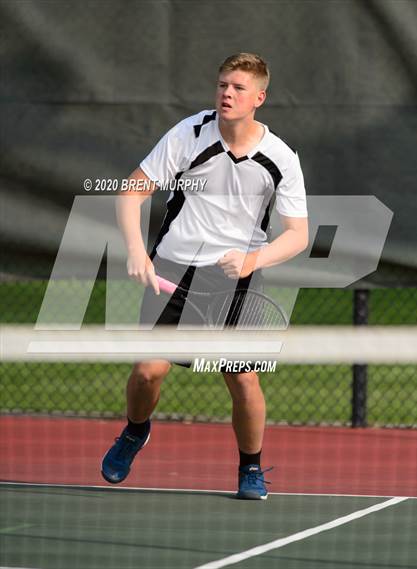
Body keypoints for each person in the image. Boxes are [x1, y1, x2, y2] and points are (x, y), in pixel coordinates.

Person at [101, 53, 308, 500]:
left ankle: (250, 468)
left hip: (238, 280)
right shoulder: (189, 133)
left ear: (259, 97)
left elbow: (298, 236)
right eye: (221, 85)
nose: (226, 94)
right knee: (146, 373)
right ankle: (136, 431)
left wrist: (253, 261)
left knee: (243, 379)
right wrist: (138, 251)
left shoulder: (281, 157)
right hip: (174, 269)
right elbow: (131, 192)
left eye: (237, 88)